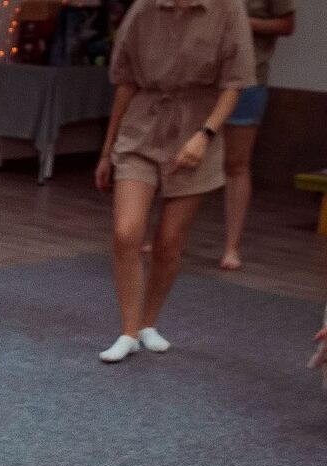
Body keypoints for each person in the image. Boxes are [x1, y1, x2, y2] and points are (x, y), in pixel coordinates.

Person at [96, 0, 254, 364]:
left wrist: (205, 134)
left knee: (169, 242)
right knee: (126, 231)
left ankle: (148, 322)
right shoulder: (144, 8)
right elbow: (126, 83)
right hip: (141, 127)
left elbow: (234, 84)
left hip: (197, 128)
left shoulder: (227, 10)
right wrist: (107, 151)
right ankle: (129, 331)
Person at [219, 0, 295, 271]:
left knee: (236, 164)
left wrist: (242, 23)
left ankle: (231, 247)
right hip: (202, 77)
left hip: (248, 78)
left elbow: (287, 25)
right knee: (183, 155)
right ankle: (162, 236)